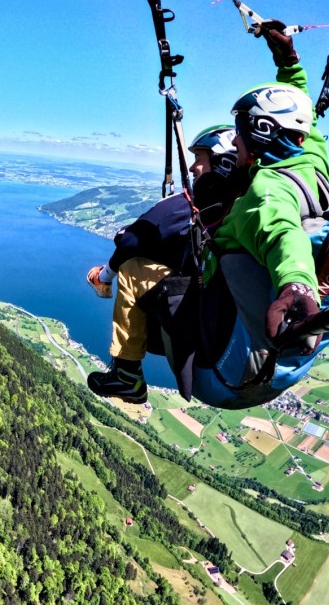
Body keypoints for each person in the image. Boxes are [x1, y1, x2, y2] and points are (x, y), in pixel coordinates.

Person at [86, 18, 329, 408]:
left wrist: (296, 285)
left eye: (240, 133)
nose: (236, 140)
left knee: (133, 272)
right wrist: (288, 59)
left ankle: (127, 375)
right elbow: (301, 109)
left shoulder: (263, 194)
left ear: (260, 134)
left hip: (218, 328)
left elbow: (282, 233)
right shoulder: (310, 162)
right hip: (247, 320)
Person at [84, 125, 242, 403]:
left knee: (133, 269)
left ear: (223, 162)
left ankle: (127, 374)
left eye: (200, 159)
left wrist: (106, 276)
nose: (193, 168)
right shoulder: (242, 204)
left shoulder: (194, 204)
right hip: (222, 312)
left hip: (200, 309)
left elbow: (131, 240)